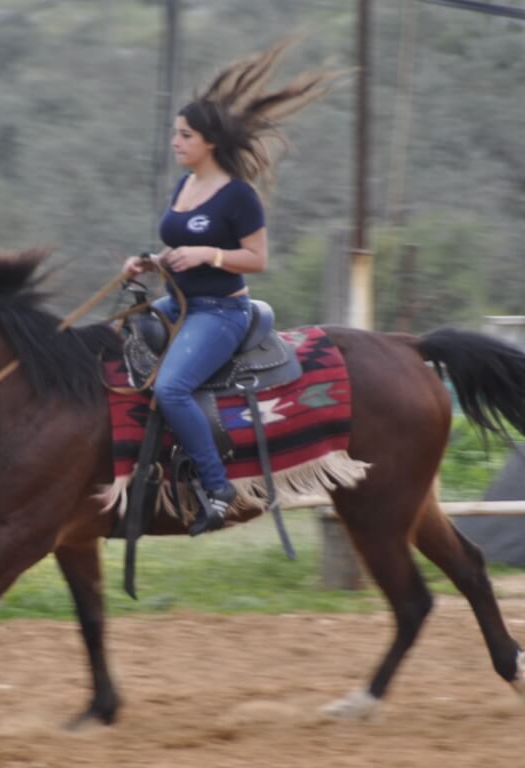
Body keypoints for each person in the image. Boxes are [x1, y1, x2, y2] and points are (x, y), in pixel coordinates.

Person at [123, 38, 335, 536]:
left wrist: (208, 254)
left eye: (184, 135)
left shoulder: (239, 197)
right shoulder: (185, 185)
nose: (175, 142)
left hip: (220, 312)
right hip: (178, 301)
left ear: (208, 142)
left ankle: (217, 487)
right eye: (175, 134)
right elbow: (179, 248)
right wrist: (149, 262)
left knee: (173, 388)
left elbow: (257, 259)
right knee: (122, 344)